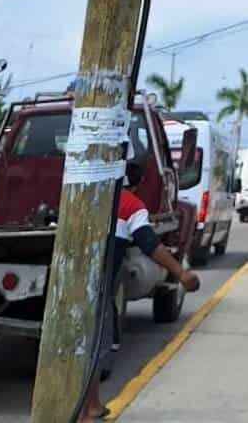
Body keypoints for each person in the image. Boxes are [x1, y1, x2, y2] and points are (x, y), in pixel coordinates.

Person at [81, 163, 200, 422]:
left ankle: (92, 405)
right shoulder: (131, 205)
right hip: (97, 284)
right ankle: (87, 412)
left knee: (86, 344)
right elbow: (149, 243)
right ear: (136, 183)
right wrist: (181, 274)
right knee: (95, 346)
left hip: (71, 278)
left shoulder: (87, 195)